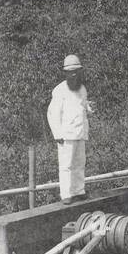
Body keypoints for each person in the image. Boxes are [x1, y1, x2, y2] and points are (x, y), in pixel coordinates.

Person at [47, 54, 94, 203]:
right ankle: (66, 194)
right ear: (65, 73)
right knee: (66, 165)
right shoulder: (59, 90)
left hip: (80, 133)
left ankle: (79, 191)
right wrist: (57, 133)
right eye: (70, 71)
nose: (73, 74)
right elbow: (52, 113)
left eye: (76, 71)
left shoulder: (82, 89)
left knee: (79, 163)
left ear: (80, 71)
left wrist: (89, 107)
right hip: (66, 135)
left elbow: (82, 106)